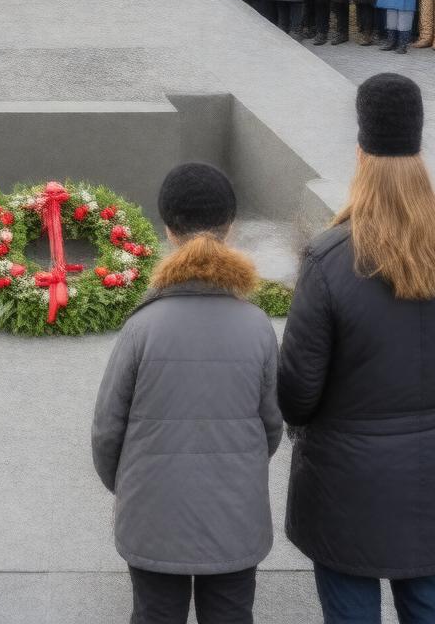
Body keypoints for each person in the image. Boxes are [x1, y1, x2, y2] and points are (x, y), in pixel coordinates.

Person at [278, 73, 435, 624]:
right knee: (432, 606)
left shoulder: (329, 258)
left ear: (361, 156)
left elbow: (298, 390)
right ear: (420, 153)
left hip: (347, 476)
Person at [92, 162, 281, 624]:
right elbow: (272, 427)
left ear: (168, 230)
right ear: (230, 227)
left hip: (152, 515)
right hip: (235, 518)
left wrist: (133, 485)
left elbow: (106, 431)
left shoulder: (141, 328)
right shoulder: (257, 326)